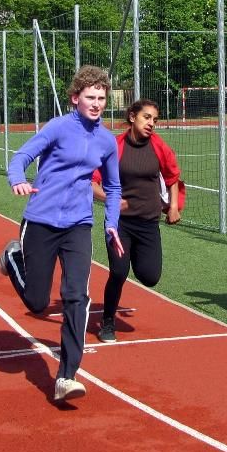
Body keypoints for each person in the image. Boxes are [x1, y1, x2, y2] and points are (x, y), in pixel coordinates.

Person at [0, 65, 124, 402]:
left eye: (101, 98)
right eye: (90, 97)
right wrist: (18, 180)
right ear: (75, 98)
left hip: (79, 224)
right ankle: (12, 258)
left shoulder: (107, 140)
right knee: (38, 302)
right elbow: (21, 156)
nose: (96, 104)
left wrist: (111, 223)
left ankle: (66, 375)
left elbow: (112, 187)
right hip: (41, 220)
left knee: (76, 296)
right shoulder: (58, 127)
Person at [90, 98, 184, 343]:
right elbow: (92, 183)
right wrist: (109, 199)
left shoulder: (158, 147)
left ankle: (136, 260)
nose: (151, 123)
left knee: (150, 277)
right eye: (147, 117)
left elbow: (173, 177)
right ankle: (108, 321)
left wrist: (173, 207)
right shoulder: (115, 146)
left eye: (155, 119)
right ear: (132, 117)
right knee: (119, 272)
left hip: (148, 223)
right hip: (120, 223)